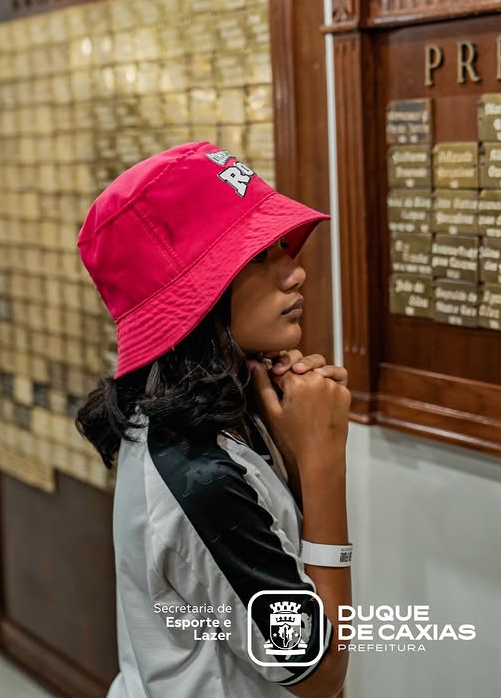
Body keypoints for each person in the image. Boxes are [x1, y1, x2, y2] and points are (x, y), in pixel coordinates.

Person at [75, 142, 352, 698]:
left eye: (282, 247)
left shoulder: (213, 409)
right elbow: (319, 674)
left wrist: (294, 452)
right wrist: (324, 465)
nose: (295, 272)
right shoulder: (199, 473)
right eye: (258, 257)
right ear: (194, 295)